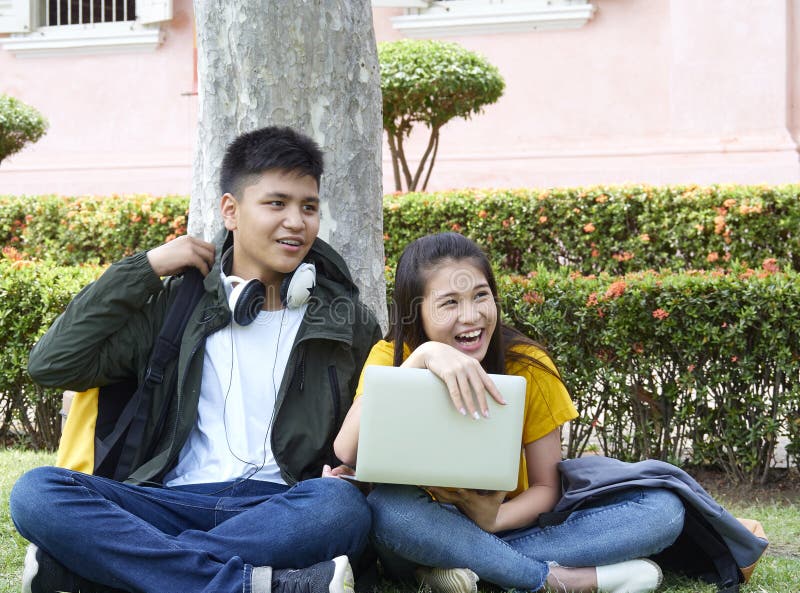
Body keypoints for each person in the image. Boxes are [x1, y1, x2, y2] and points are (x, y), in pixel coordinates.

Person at [10, 126, 382, 593]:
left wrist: (354, 470)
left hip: (282, 505)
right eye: (277, 203)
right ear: (231, 210)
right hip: (169, 499)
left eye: (309, 207)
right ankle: (253, 584)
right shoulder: (177, 306)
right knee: (37, 493)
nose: (296, 221)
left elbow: (373, 428)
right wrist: (144, 268)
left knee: (340, 508)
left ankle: (115, 572)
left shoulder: (348, 321)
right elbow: (52, 363)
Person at [334, 233, 686, 593]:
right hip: (423, 521)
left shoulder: (527, 364)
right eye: (449, 303)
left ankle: (459, 567)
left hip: (510, 522)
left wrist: (494, 519)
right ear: (417, 311)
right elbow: (346, 450)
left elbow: (546, 487)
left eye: (481, 296)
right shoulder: (394, 355)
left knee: (664, 511)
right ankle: (554, 580)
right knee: (389, 511)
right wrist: (424, 357)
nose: (471, 317)